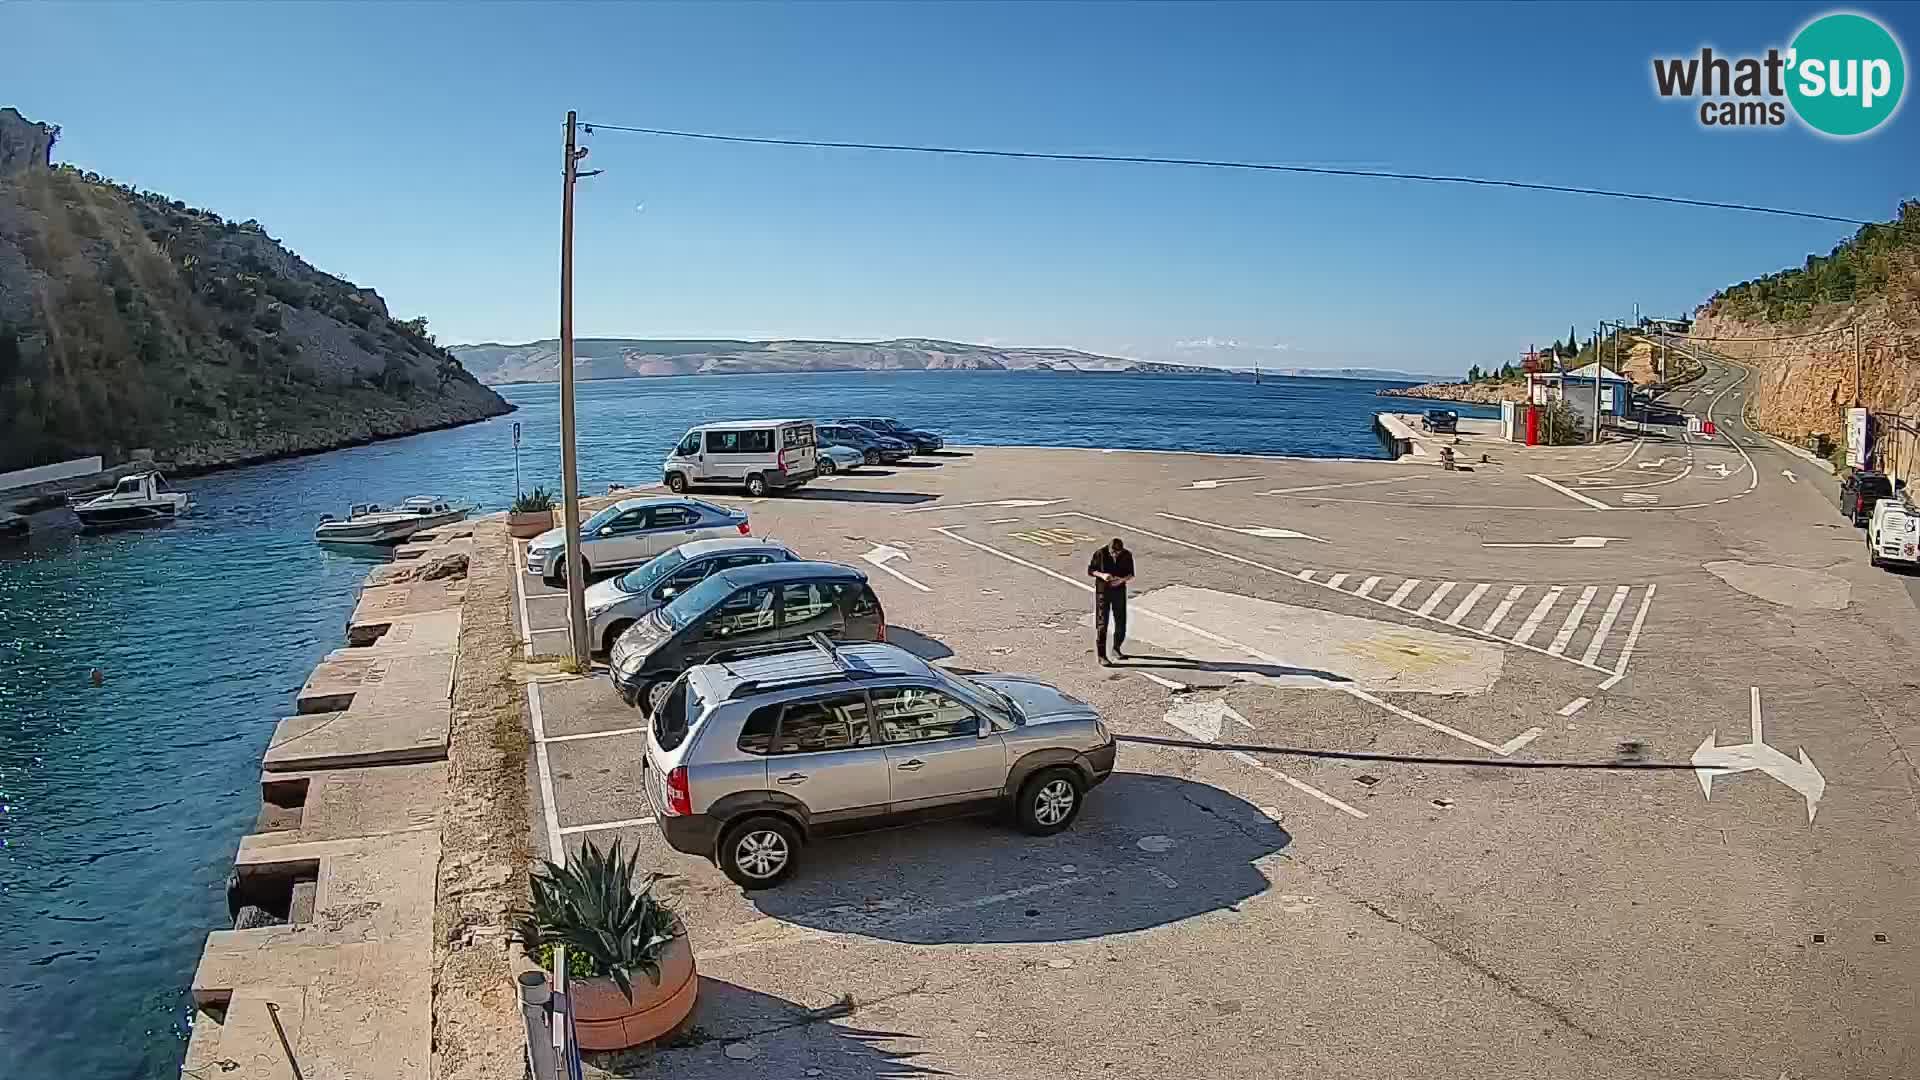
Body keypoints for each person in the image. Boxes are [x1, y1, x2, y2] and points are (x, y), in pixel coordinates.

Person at [1087, 537, 1134, 665]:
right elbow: (1091, 570)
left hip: (1118, 591)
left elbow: (1130, 574)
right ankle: (1101, 655)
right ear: (1109, 549)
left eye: (1117, 553)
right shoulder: (1100, 553)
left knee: (1121, 621)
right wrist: (1103, 575)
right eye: (1113, 552)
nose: (1115, 555)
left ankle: (1116, 648)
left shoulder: (1126, 555)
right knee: (1102, 623)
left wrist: (1120, 580)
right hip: (1103, 592)